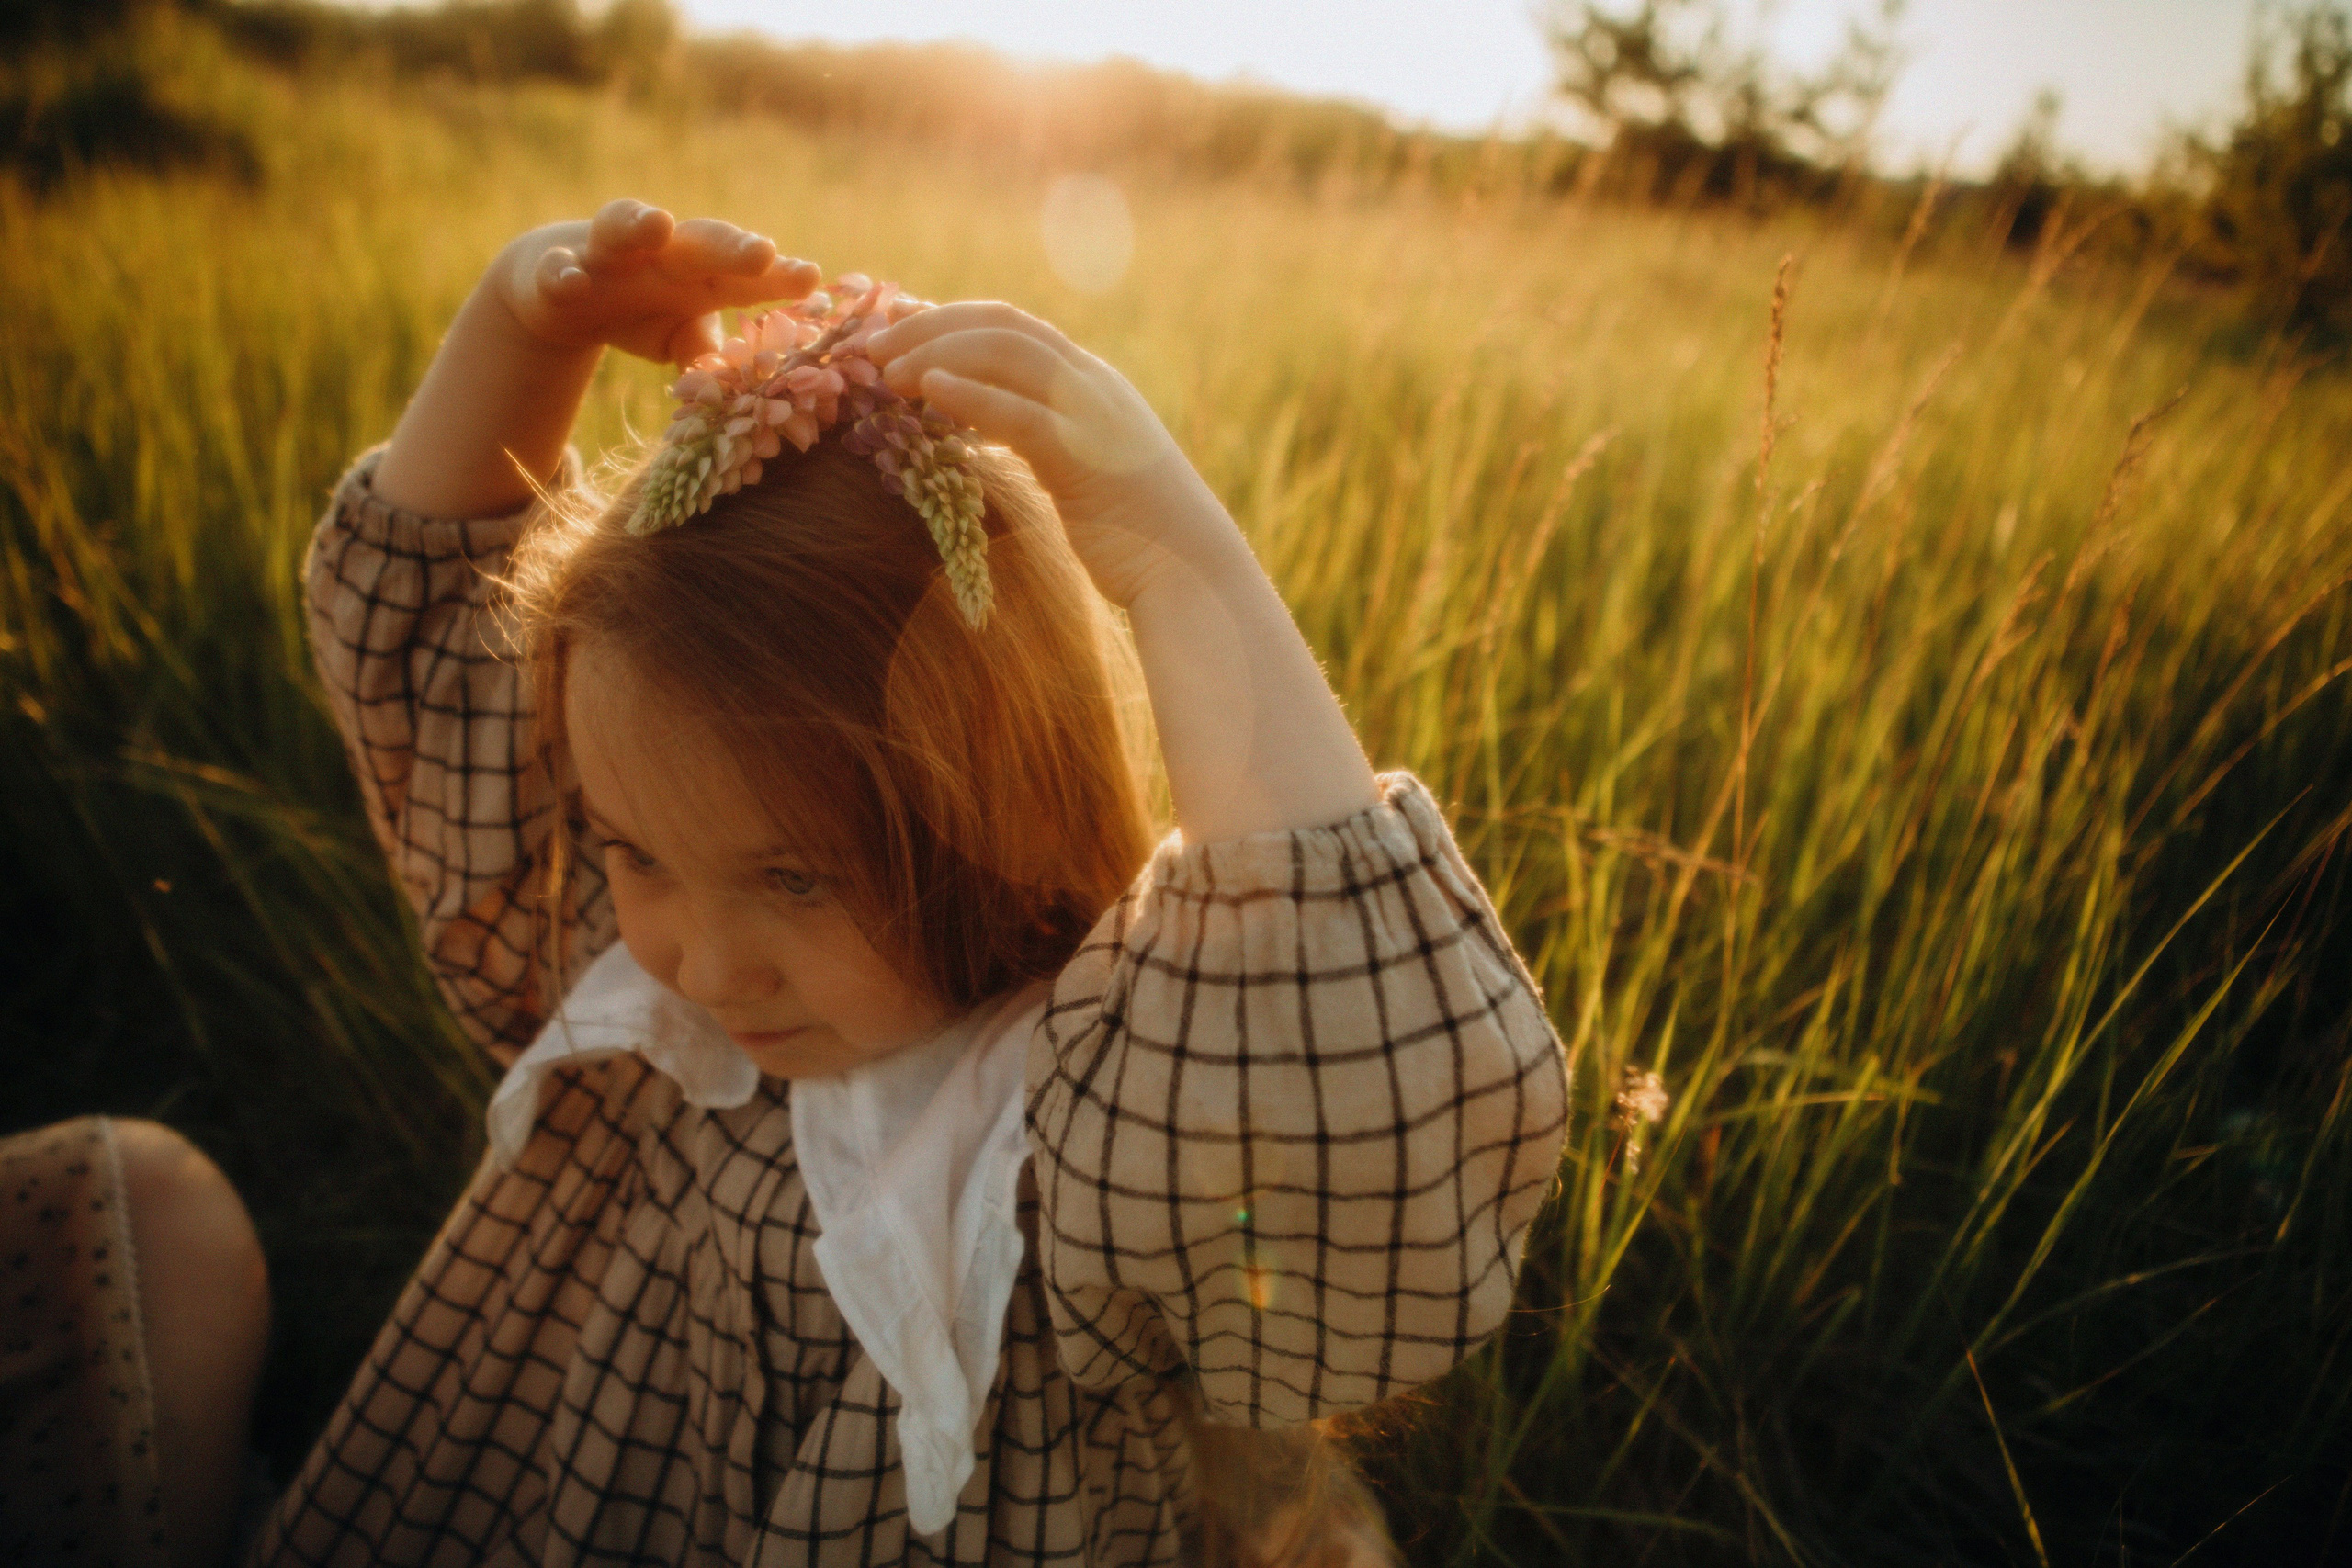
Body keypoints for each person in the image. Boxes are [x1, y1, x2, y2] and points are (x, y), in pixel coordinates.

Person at [250, 198, 1568, 1567]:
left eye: (797, 880)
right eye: (636, 851)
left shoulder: (1066, 1146)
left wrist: (1186, 559)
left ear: (1006, 821)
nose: (705, 963)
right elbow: (439, 673)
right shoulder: (650, 1022)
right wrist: (528, 326)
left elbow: (1342, 1091)